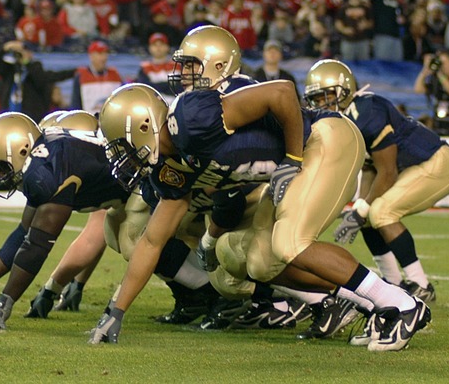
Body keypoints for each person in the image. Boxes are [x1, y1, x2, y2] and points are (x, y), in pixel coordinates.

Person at [89, 26, 430, 352]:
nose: (124, 156)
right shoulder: (173, 167)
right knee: (260, 262)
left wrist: (293, 158)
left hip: (323, 139)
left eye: (123, 144)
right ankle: (372, 303)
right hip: (298, 160)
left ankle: (401, 303)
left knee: (290, 243)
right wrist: (115, 312)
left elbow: (281, 91)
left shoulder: (192, 119)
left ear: (146, 125)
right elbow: (152, 241)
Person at [304, 59, 449, 304]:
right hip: (412, 166)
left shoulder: (366, 111)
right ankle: (393, 283)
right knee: (368, 217)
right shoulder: (346, 121)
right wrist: (358, 209)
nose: (321, 104)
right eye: (316, 99)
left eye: (326, 96)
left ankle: (420, 283)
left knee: (381, 212)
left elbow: (387, 171)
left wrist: (363, 209)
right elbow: (370, 170)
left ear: (344, 91)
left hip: (436, 161)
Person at [0, 112, 130, 331]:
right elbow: (24, 233)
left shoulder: (46, 169)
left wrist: (3, 302)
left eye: (0, 168)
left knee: (132, 241)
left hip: (142, 191)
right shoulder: (43, 162)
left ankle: (194, 294)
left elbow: (37, 246)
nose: (0, 176)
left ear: (21, 149)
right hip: (124, 193)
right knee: (117, 232)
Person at [0, 40, 76, 123]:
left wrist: (26, 61)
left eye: (25, 50)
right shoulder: (10, 70)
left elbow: (39, 78)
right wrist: (5, 48)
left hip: (32, 117)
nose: (22, 53)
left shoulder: (35, 67)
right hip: (9, 116)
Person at [69, 40, 124, 113]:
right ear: (91, 56)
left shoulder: (115, 74)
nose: (104, 57)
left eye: (105, 53)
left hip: (111, 120)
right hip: (89, 120)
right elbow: (76, 103)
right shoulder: (81, 75)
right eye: (100, 53)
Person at [136, 33, 176, 100]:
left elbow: (179, 87)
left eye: (161, 44)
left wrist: (155, 86)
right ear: (150, 48)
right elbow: (145, 88)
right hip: (153, 102)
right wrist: (168, 85)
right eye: (155, 45)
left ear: (167, 47)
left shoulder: (176, 65)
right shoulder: (144, 67)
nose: (158, 48)